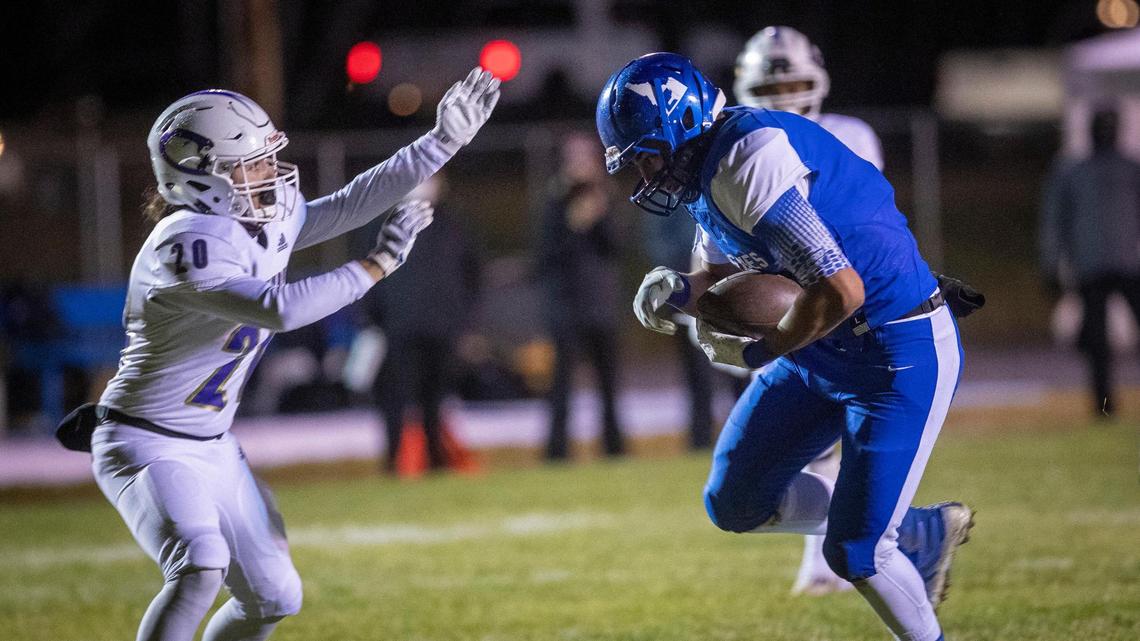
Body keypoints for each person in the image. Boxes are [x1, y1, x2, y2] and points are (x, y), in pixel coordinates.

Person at [84, 69, 499, 641]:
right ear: (202, 177)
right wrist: (375, 266)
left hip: (213, 442)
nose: (265, 174)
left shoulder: (246, 219)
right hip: (145, 438)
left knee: (274, 596)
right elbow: (280, 309)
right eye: (248, 164)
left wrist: (439, 143)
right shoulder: (185, 243)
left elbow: (348, 203)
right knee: (200, 564)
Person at [598, 53, 972, 641]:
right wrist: (677, 288)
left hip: (894, 350)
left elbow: (839, 287)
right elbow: (726, 280)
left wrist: (756, 352)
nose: (644, 177)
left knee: (856, 554)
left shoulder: (745, 155)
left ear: (683, 123)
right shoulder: (708, 167)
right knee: (735, 502)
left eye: (647, 155)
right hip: (824, 345)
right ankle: (918, 532)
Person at [734, 25, 884, 597]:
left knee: (849, 437)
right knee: (795, 448)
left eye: (795, 81)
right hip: (778, 304)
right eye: (772, 85)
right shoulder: (735, 147)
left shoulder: (849, 135)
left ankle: (860, 549)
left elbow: (851, 230)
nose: (784, 97)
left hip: (844, 297)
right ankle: (853, 547)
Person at [356, 173, 482, 473]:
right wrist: (374, 320)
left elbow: (472, 275)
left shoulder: (453, 224)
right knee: (395, 398)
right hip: (397, 328)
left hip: (441, 328)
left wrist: (463, 319)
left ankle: (436, 460)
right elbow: (366, 275)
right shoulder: (384, 226)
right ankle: (393, 460)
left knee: (435, 398)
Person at [1040, 108, 1140, 419]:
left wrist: (1051, 263)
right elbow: (1055, 221)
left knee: (1097, 341)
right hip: (1094, 265)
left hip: (1122, 262)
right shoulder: (1074, 172)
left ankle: (1104, 406)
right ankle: (1104, 406)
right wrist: (1050, 264)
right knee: (1097, 343)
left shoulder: (1129, 169)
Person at [537, 131, 627, 461]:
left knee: (609, 385)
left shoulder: (606, 198)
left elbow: (617, 247)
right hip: (566, 307)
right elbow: (545, 256)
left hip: (601, 305)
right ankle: (557, 453)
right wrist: (573, 224)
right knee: (561, 386)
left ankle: (615, 449)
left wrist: (599, 213)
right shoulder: (553, 203)